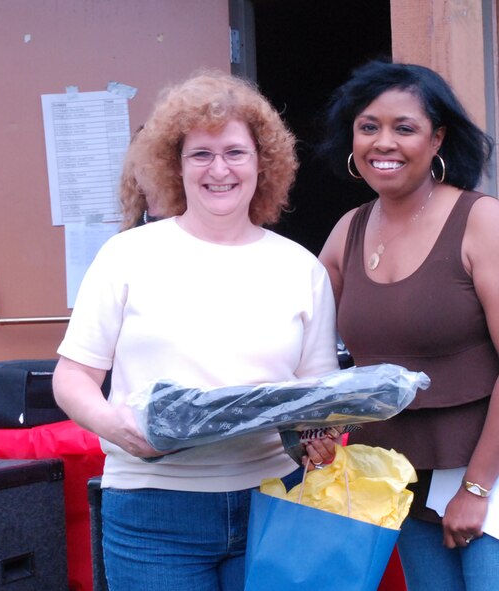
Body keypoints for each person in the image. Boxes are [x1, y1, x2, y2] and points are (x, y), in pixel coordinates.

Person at [53, 71, 339, 591]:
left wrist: (320, 436)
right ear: (174, 166)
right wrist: (116, 428)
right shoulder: (127, 256)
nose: (219, 170)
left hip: (275, 500)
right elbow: (72, 377)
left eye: (235, 152)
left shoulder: (301, 269)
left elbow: (317, 392)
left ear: (262, 162)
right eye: (200, 155)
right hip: (152, 511)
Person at [317, 61, 499, 590]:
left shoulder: (482, 220)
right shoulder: (348, 230)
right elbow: (301, 334)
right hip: (404, 468)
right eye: (368, 126)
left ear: (437, 138)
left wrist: (477, 488)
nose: (383, 142)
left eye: (405, 127)